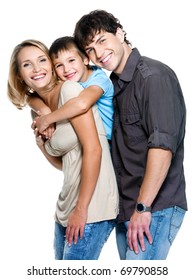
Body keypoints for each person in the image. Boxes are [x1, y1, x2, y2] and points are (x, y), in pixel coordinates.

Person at [73, 9, 188, 260]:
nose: (98, 53)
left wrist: (143, 206)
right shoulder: (111, 86)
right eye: (90, 49)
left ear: (120, 32)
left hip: (153, 208)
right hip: (127, 210)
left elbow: (162, 147)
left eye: (102, 40)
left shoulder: (153, 77)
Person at [7, 39, 119, 260]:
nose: (37, 68)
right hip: (66, 206)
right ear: (20, 74)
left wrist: (81, 209)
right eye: (27, 64)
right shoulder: (39, 111)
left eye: (41, 60)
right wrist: (41, 145)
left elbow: (94, 150)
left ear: (50, 64)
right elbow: (65, 164)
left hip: (92, 206)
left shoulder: (70, 90)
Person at [27, 36, 114, 143]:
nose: (67, 69)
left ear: (85, 59)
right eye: (59, 65)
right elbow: (31, 96)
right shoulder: (68, 83)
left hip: (113, 141)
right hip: (91, 138)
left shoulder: (99, 79)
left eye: (71, 60)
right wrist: (44, 109)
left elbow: (82, 104)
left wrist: (47, 119)